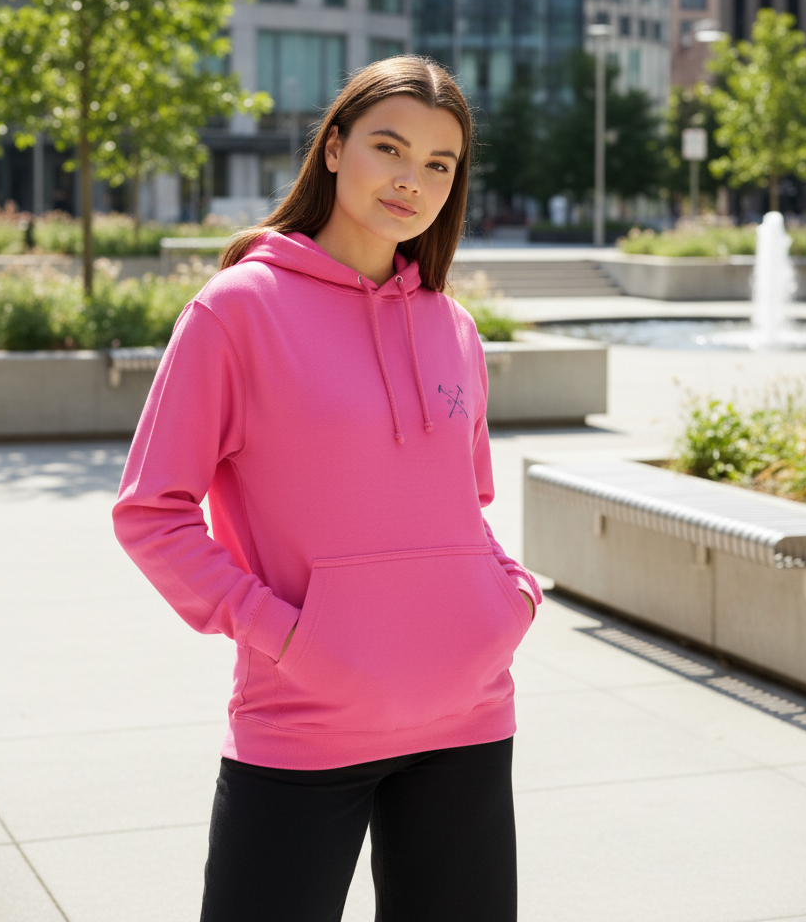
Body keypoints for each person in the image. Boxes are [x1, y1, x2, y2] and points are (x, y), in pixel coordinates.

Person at [113, 56, 541, 922]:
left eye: (439, 164)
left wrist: (510, 600)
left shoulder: (452, 325)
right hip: (302, 721)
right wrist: (283, 635)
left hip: (466, 718)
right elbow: (150, 514)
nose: (410, 179)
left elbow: (469, 503)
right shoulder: (237, 309)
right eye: (389, 147)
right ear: (335, 148)